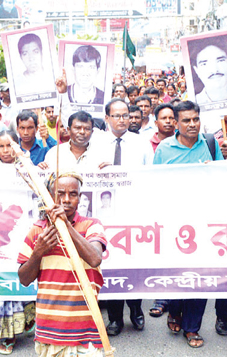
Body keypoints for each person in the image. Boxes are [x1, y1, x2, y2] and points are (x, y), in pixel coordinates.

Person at [153, 100, 224, 348]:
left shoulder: (211, 144)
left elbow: (224, 178)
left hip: (204, 224)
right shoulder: (164, 149)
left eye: (195, 119)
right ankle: (174, 310)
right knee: (175, 273)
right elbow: (153, 185)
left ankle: (192, 328)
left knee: (200, 276)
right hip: (173, 224)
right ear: (175, 123)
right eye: (186, 120)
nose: (192, 124)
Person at [17, 172, 107, 357]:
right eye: (60, 193)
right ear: (49, 196)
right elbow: (24, 279)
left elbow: (95, 258)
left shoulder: (92, 225)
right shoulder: (37, 231)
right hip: (50, 330)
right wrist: (37, 253)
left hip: (86, 329)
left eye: (73, 194)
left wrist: (67, 227)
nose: (66, 200)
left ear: (80, 198)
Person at [101, 99, 152, 336]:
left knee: (134, 264)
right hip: (107, 214)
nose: (122, 119)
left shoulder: (141, 143)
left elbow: (152, 175)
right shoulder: (97, 143)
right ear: (107, 118)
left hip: (135, 213)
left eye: (126, 115)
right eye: (117, 115)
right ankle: (114, 318)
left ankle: (136, 309)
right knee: (111, 266)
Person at [0, 131, 36, 355]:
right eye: (1, 146)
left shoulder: (28, 167)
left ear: (17, 145)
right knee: (1, 282)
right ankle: (7, 333)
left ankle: (26, 320)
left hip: (23, 231)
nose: (6, 151)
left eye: (10, 146)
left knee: (22, 274)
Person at [41, 111, 106, 171]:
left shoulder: (102, 155)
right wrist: (41, 169)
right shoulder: (54, 153)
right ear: (68, 130)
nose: (82, 132)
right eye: (77, 128)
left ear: (92, 132)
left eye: (87, 129)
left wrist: (110, 170)